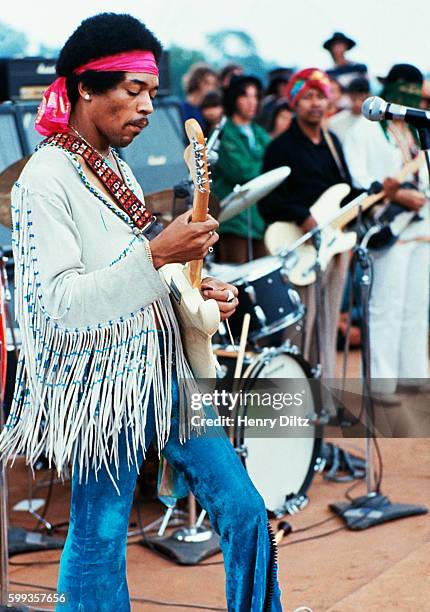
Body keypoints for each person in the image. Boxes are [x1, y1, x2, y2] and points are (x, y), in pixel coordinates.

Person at [0, 14, 282, 611]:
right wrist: (158, 253)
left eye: (152, 92)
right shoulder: (42, 181)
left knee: (244, 508)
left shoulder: (117, 168)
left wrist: (196, 292)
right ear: (84, 88)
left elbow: (138, 272)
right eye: (133, 91)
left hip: (163, 373)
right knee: (100, 536)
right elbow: (57, 306)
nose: (148, 106)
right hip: (100, 392)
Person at [259, 68, 360, 380]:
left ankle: (325, 396)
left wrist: (375, 193)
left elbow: (345, 189)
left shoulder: (332, 143)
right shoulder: (281, 147)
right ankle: (295, 394)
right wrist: (302, 215)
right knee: (301, 324)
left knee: (328, 324)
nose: (315, 103)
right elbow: (268, 200)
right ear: (294, 102)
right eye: (308, 97)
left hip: (334, 244)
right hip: (299, 245)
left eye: (320, 96)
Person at [343, 64, 430, 404]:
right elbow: (358, 179)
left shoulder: (412, 128)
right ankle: (380, 384)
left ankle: (413, 375)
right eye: (405, 89)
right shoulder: (362, 130)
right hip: (387, 225)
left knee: (416, 305)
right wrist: (394, 193)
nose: (410, 97)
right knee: (386, 304)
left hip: (421, 224)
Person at [212, 75, 271, 263]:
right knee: (236, 279)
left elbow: (275, 161)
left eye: (255, 96)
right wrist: (266, 166)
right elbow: (241, 172)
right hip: (234, 220)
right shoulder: (224, 132)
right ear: (234, 99)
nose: (251, 102)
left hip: (259, 219)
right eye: (245, 96)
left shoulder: (258, 132)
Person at [328, 77, 370, 144]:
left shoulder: (375, 123)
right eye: (355, 98)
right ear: (349, 96)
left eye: (361, 98)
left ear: (368, 96)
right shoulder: (334, 122)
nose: (357, 103)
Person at [180, 62, 219, 130]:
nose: (210, 88)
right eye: (206, 83)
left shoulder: (209, 111)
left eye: (213, 84)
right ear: (196, 81)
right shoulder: (180, 109)